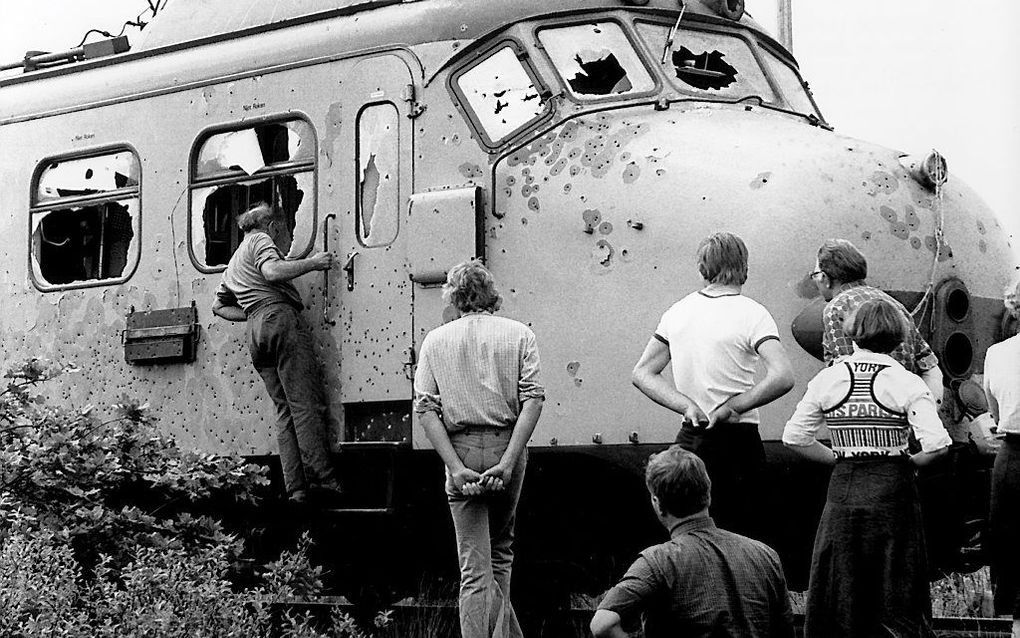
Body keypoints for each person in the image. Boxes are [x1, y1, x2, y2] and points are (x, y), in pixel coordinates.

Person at [783, 298, 952, 638]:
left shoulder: (828, 379)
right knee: (895, 589)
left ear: (853, 333)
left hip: (843, 489)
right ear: (898, 336)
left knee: (842, 585)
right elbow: (937, 445)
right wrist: (911, 463)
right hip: (894, 491)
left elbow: (794, 437)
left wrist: (838, 459)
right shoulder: (906, 382)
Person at [632, 231, 794, 539]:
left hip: (691, 435)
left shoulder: (677, 311)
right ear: (743, 265)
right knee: (744, 534)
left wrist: (686, 405)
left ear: (702, 266)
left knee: (685, 533)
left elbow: (642, 373)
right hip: (738, 437)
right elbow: (783, 376)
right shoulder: (753, 313)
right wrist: (735, 405)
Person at [413, 260, 544, 638]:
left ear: (454, 298)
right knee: (501, 552)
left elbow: (425, 408)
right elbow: (533, 399)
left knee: (474, 568)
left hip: (462, 449)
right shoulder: (520, 335)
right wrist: (507, 461)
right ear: (491, 294)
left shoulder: (435, 341)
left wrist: (455, 467)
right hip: (508, 445)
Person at [590, 445, 795, 638]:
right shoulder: (765, 555)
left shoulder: (659, 561)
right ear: (708, 495)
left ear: (658, 504)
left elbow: (602, 624)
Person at [211, 201, 340, 504]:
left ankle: (295, 488)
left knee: (284, 411)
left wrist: (255, 313)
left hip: (257, 332)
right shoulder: (260, 240)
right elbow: (271, 271)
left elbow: (218, 307)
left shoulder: (234, 261)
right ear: (272, 227)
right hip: (279, 320)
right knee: (304, 404)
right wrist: (314, 262)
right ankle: (322, 480)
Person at [811, 238, 943, 403]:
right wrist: (926, 411)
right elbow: (930, 367)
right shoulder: (895, 305)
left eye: (815, 275)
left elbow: (849, 374)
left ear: (826, 278)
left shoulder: (836, 308)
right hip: (907, 413)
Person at [983, 275, 1020, 638]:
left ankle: (1009, 624)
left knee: (1007, 543)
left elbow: (994, 412)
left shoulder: (997, 354)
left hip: (1011, 455)